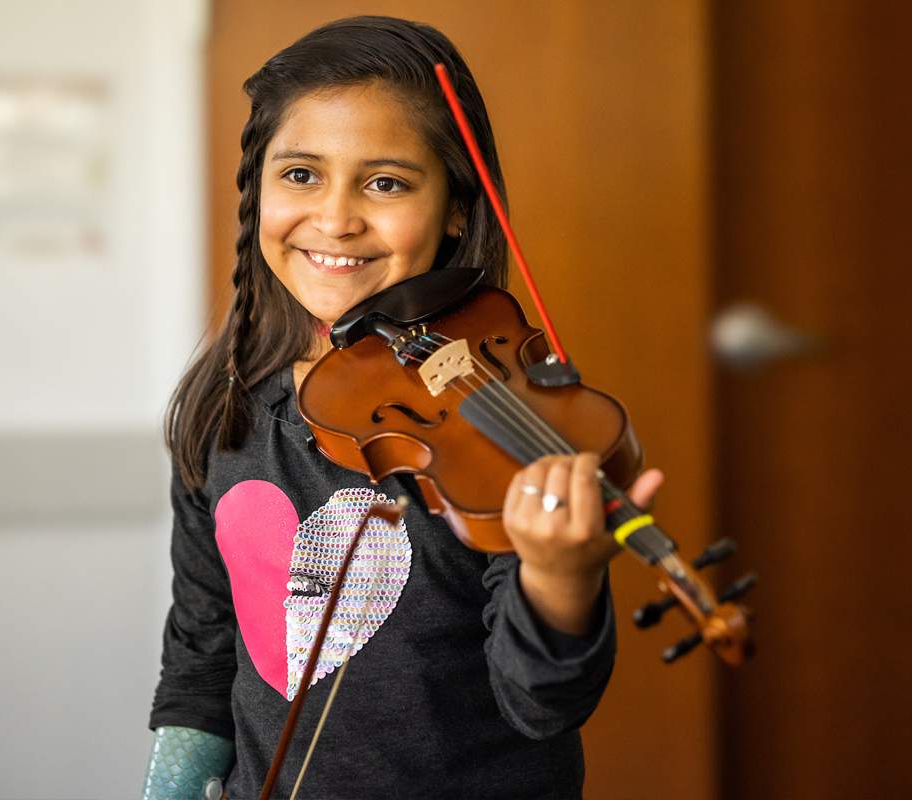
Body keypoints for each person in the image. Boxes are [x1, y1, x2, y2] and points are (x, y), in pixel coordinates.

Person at [143, 15, 663, 800]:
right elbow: (201, 650)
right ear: (257, 193)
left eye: (385, 182)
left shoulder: (487, 429)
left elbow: (542, 704)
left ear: (457, 207)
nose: (336, 218)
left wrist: (560, 579)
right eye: (301, 175)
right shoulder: (226, 409)